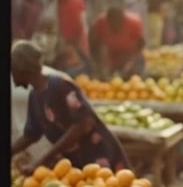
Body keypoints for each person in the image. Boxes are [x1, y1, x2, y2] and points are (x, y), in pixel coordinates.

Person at [11, 41, 129, 173]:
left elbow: (83, 124)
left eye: (13, 70)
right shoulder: (35, 96)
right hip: (78, 162)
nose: (11, 75)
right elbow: (31, 134)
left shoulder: (60, 86)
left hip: (98, 154)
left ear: (23, 69)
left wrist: (41, 161)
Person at [89, 4, 145, 79]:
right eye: (112, 24)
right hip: (112, 56)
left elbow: (140, 44)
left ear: (123, 20)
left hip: (131, 55)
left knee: (134, 76)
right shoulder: (101, 22)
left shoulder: (134, 23)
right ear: (108, 21)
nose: (115, 27)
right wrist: (100, 64)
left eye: (117, 24)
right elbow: (94, 45)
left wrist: (130, 63)